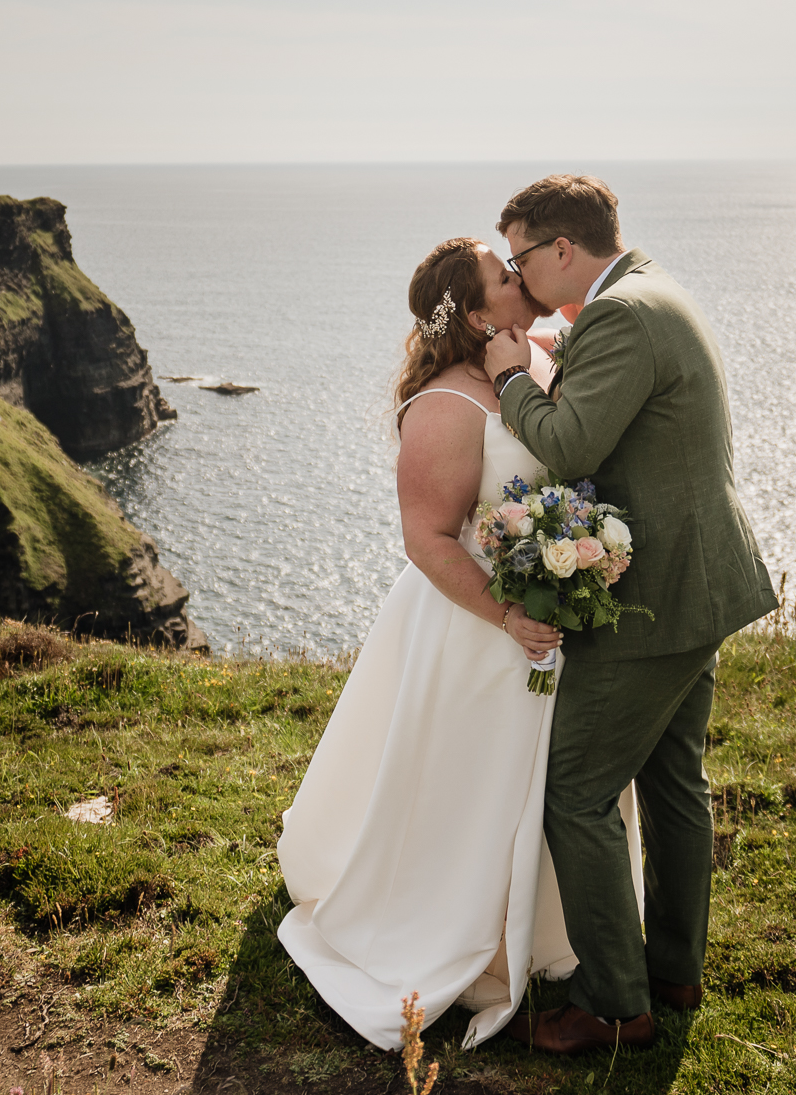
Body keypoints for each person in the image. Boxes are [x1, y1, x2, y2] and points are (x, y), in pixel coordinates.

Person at [276, 237, 644, 1051]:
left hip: (550, 618)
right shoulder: (448, 404)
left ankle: (568, 934)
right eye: (505, 276)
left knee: (561, 782)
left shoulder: (534, 360)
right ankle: (450, 921)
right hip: (477, 628)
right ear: (478, 314)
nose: (522, 279)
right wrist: (510, 616)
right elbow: (429, 537)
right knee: (468, 788)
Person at [482, 174, 778, 1055]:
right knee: (674, 781)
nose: (515, 272)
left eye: (520, 256)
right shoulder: (653, 290)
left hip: (657, 601)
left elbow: (570, 442)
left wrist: (506, 377)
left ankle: (617, 1008)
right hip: (705, 583)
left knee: (574, 792)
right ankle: (675, 971)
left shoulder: (621, 316)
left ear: (562, 250)